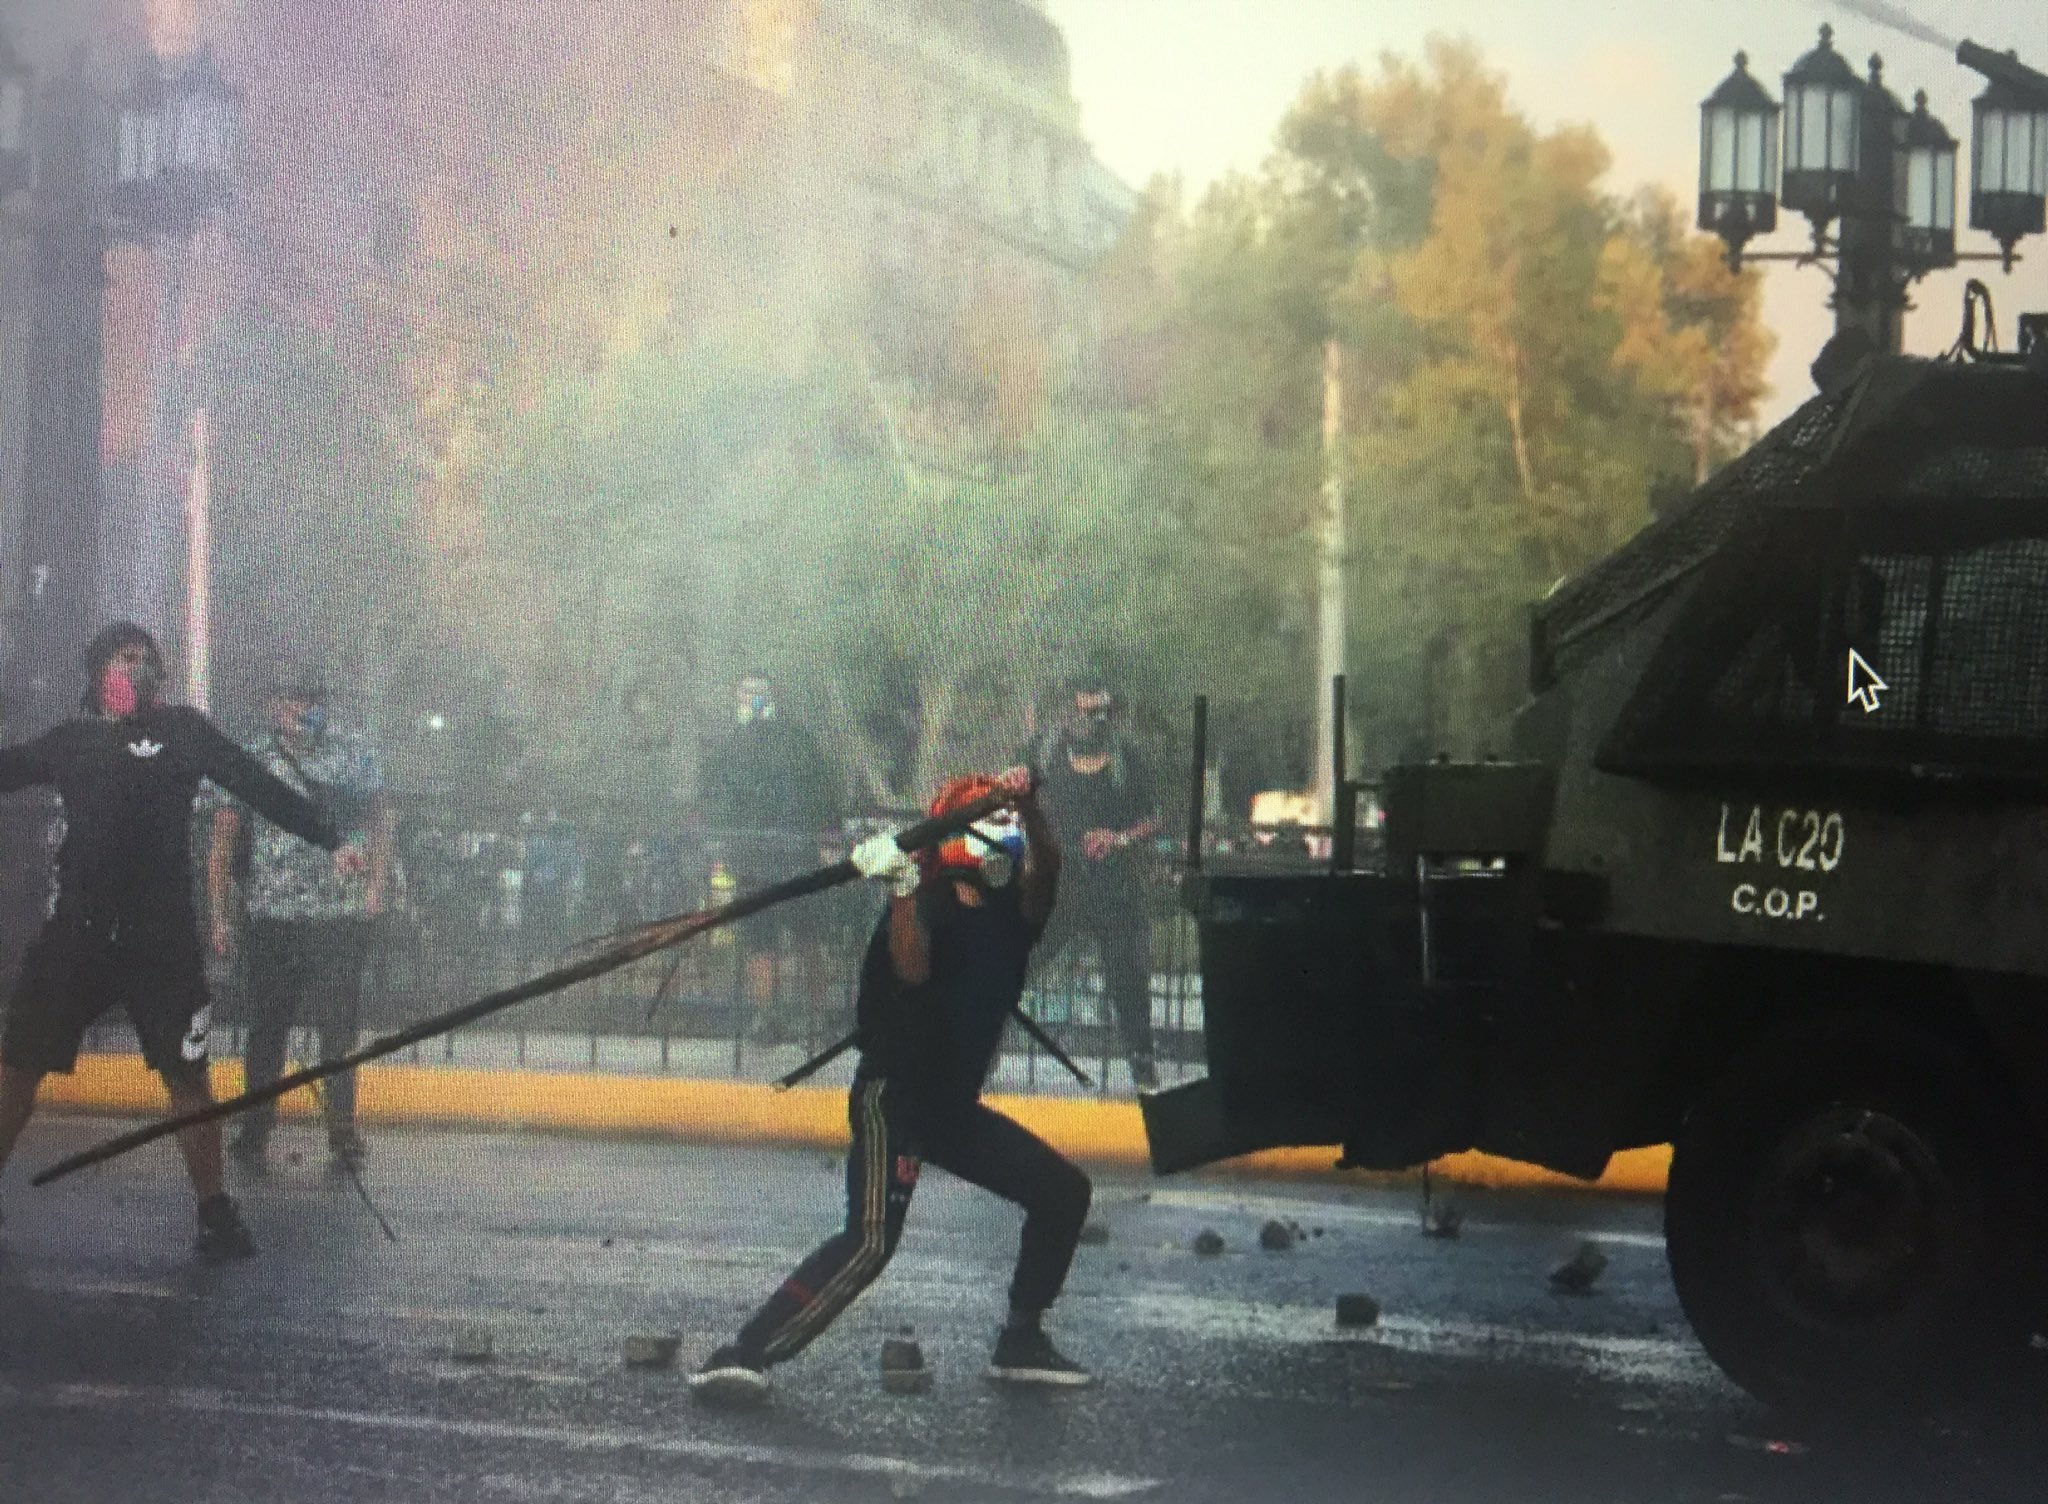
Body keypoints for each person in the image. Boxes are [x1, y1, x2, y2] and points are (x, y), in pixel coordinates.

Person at [690, 765, 1093, 1407]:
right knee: (871, 1241)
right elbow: (912, 968)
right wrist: (903, 890)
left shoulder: (1011, 914)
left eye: (1008, 819)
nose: (1007, 828)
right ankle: (742, 1355)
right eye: (994, 817)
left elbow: (1048, 871)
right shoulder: (921, 903)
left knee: (1063, 1193)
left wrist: (1032, 806)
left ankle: (1021, 1341)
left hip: (950, 1107)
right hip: (895, 1097)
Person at [0, 625, 342, 1256]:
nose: (138, 671)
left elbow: (255, 784)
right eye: (125, 661)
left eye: (147, 661)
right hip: (75, 936)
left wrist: (332, 839)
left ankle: (215, 1210)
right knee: (21, 1065)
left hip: (162, 941)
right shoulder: (72, 740)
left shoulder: (183, 731)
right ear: (99, 672)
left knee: (189, 1077)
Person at [208, 665, 392, 1175]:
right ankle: (254, 1128)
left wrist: (375, 886)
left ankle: (342, 1129)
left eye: (308, 699)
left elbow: (381, 822)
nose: (298, 710)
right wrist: (221, 915)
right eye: (287, 700)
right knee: (267, 1027)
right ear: (272, 706)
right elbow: (222, 841)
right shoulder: (254, 758)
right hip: (272, 914)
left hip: (338, 913)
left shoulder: (352, 754)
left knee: (338, 1028)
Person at [1027, 679, 1162, 1090]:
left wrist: (1118, 838)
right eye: (1084, 712)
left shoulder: (1128, 757)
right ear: (1068, 713)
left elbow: (1156, 816)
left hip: (1115, 889)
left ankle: (1143, 1066)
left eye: (1099, 713)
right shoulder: (1046, 754)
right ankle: (989, 1044)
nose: (1091, 721)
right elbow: (1020, 799)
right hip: (1061, 886)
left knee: (1128, 980)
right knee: (1024, 958)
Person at [696, 674, 842, 1043]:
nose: (754, 699)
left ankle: (818, 1015)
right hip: (753, 859)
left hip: (796, 856)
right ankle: (768, 1016)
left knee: (810, 937)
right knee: (761, 940)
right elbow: (715, 799)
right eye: (747, 692)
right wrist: (725, 846)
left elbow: (822, 793)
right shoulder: (728, 746)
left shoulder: (798, 742)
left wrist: (824, 836)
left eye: (760, 692)